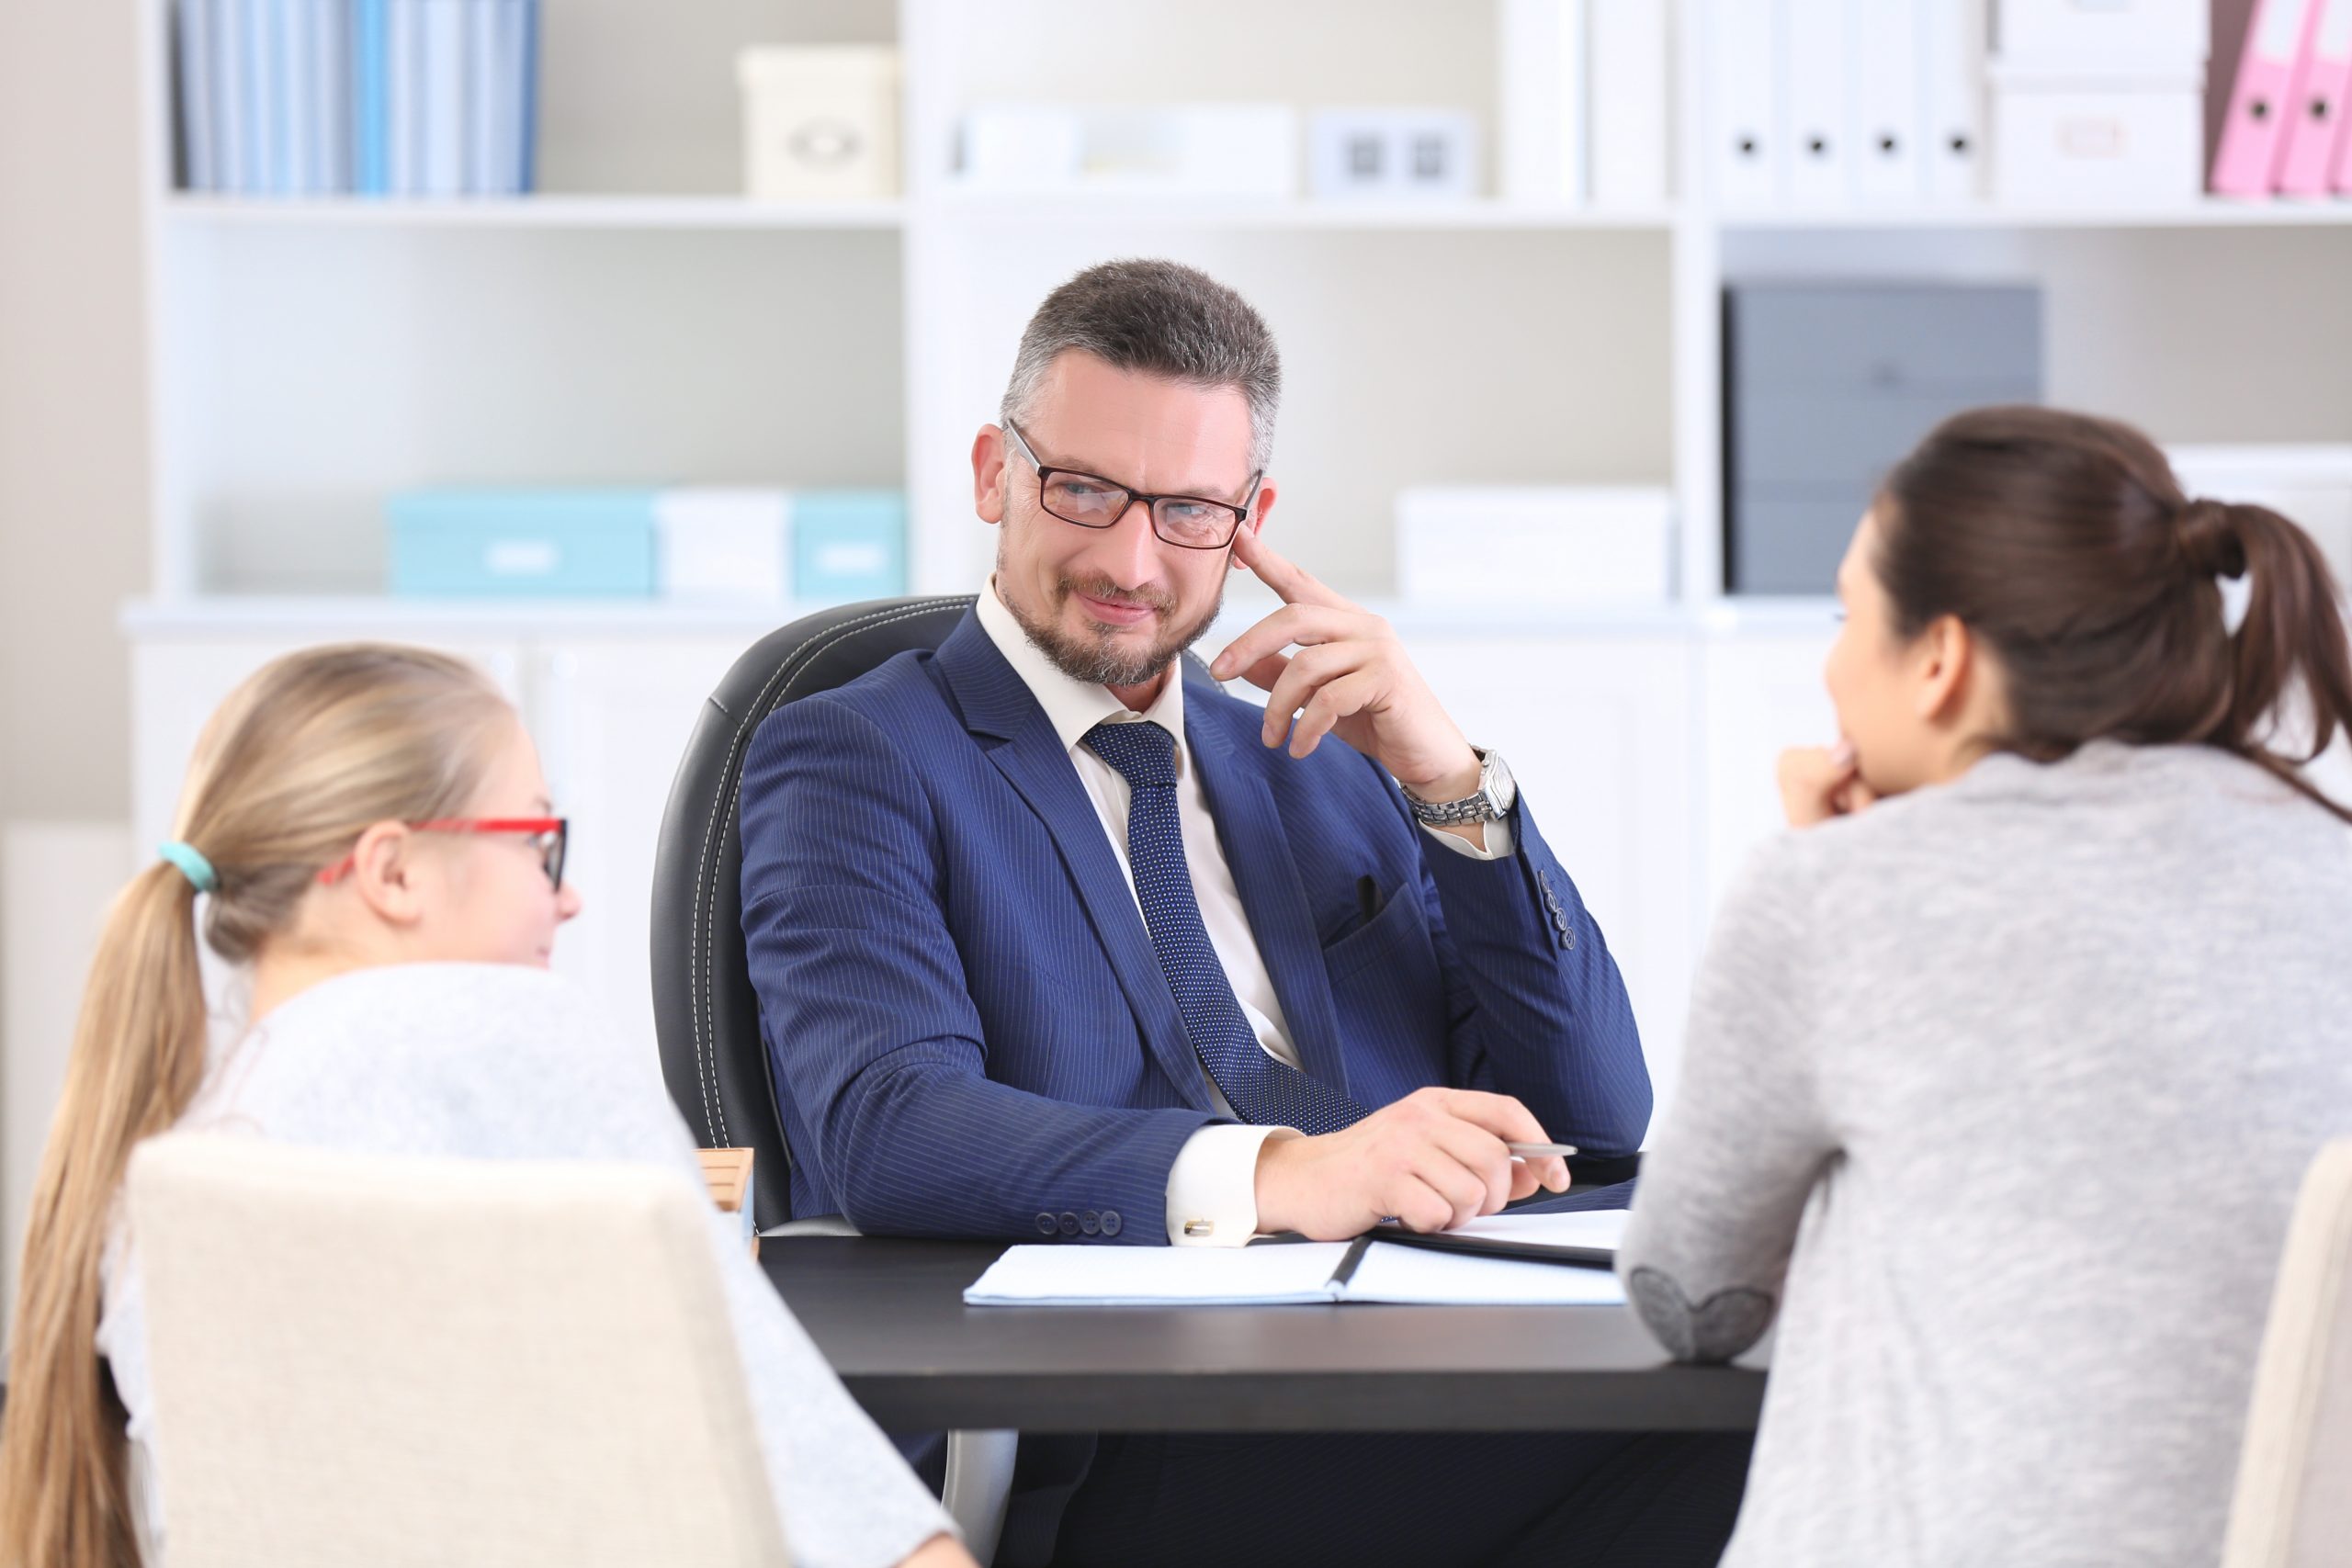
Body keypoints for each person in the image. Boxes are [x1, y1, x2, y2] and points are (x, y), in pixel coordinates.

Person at [738, 259, 1747, 1565]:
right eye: (1083, 488)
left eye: (1189, 510)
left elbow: (1602, 1121)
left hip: (1422, 1358)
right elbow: (884, 1125)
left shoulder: (1319, 748)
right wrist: (1286, 1170)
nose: (1130, 558)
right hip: (1136, 1413)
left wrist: (1452, 783)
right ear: (996, 472)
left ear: (1251, 515)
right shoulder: (857, 753)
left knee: (1769, 1389)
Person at [0, 644, 973, 1568]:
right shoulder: (504, 1035)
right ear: (392, 872)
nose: (569, 897)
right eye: (538, 843)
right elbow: (809, 1478)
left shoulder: (168, 1173)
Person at [1620, 405, 2352, 1566]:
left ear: (1940, 659)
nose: (1831, 660)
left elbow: (1690, 1295)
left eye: (1847, 615)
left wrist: (1830, 872)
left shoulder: (1832, 894)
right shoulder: (2332, 858)